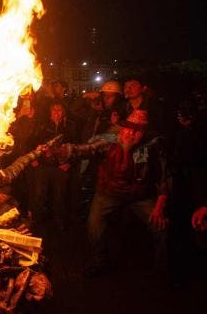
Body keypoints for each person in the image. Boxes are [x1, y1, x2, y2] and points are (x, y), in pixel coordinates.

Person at [58, 110, 171, 278]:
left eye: (137, 130)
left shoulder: (153, 146)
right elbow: (87, 148)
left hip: (139, 196)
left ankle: (163, 270)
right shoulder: (108, 141)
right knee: (94, 224)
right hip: (108, 193)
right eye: (128, 128)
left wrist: (160, 206)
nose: (131, 133)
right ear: (122, 127)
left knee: (162, 227)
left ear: (145, 133)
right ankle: (99, 262)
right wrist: (66, 150)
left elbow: (165, 177)